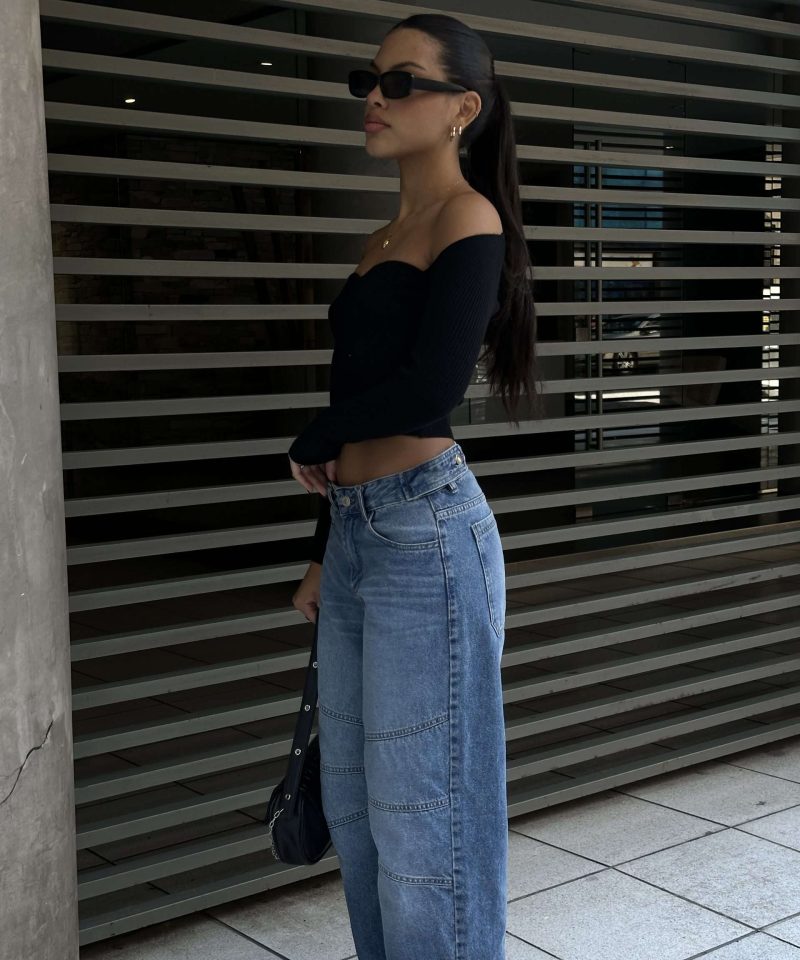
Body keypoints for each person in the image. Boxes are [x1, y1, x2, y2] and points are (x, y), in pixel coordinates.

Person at [287, 12, 543, 959]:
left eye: (400, 83)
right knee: (357, 813)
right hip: (361, 535)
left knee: (424, 821)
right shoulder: (383, 237)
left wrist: (318, 437)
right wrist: (326, 550)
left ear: (461, 109)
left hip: (424, 537)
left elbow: (431, 391)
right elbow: (353, 392)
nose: (375, 98)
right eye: (369, 80)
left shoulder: (469, 221)